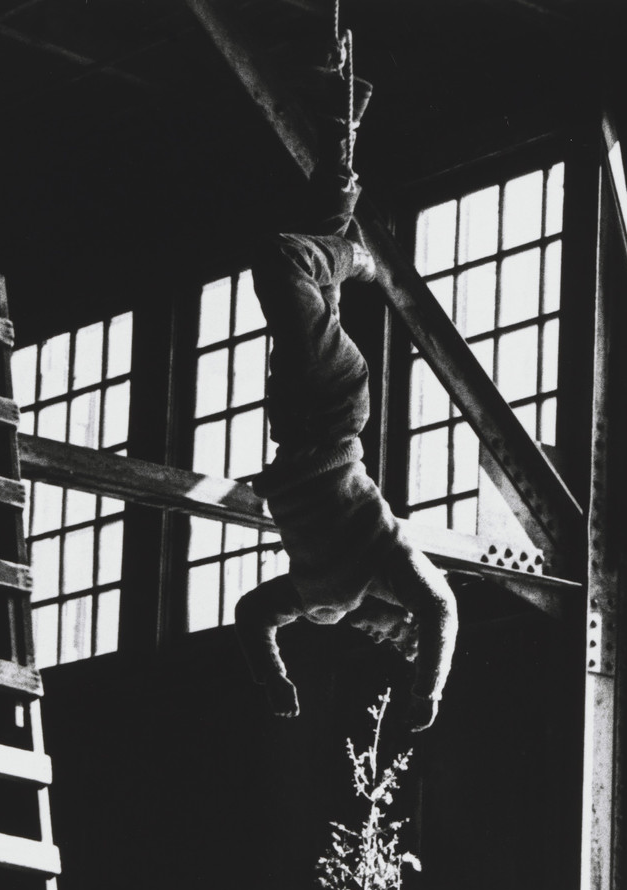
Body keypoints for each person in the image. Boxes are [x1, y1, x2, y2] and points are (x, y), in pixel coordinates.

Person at [232, 41, 458, 733]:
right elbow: (441, 607)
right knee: (283, 261)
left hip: (293, 425)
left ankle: (341, 118)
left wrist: (273, 675)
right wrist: (429, 688)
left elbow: (252, 614)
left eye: (393, 648)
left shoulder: (323, 601)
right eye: (398, 633)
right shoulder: (384, 556)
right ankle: (359, 255)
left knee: (310, 259)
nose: (387, 637)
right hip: (332, 409)